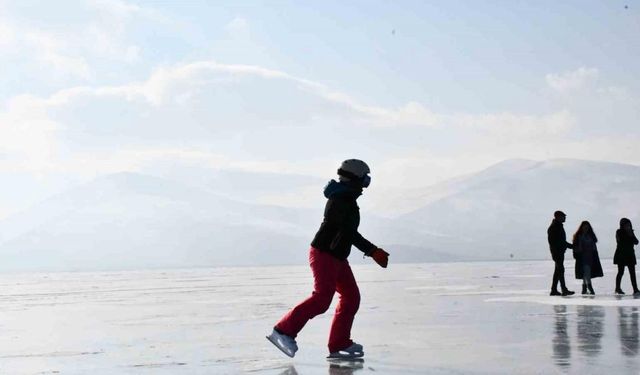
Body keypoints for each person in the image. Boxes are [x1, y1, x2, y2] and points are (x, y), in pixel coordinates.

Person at [266, 159, 390, 359]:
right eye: (365, 180)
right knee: (322, 298)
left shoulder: (346, 198)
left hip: (338, 256)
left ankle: (339, 343)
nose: (366, 185)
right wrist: (373, 251)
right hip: (325, 254)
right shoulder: (340, 200)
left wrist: (372, 251)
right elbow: (349, 233)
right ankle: (283, 331)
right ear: (355, 179)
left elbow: (348, 233)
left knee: (351, 298)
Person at [572, 221, 603, 295]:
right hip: (582, 258)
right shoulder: (579, 236)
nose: (586, 228)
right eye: (584, 227)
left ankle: (584, 288)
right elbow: (576, 248)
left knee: (586, 273)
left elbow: (594, 247)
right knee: (587, 272)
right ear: (582, 228)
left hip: (591, 257)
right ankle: (590, 287)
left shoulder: (591, 236)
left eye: (587, 227)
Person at [548, 210, 575, 296]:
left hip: (559, 252)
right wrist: (572, 246)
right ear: (558, 217)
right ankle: (564, 289)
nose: (565, 218)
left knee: (557, 271)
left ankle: (554, 290)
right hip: (557, 253)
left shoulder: (557, 226)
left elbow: (561, 241)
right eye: (563, 216)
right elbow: (558, 242)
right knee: (560, 270)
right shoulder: (554, 227)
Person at [614, 218, 640, 295]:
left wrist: (631, 234)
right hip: (621, 255)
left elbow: (636, 242)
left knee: (632, 273)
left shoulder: (631, 232)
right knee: (620, 272)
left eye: (629, 225)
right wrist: (628, 234)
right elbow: (621, 241)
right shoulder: (619, 232)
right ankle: (617, 288)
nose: (628, 226)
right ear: (622, 225)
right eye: (626, 225)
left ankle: (635, 289)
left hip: (630, 255)